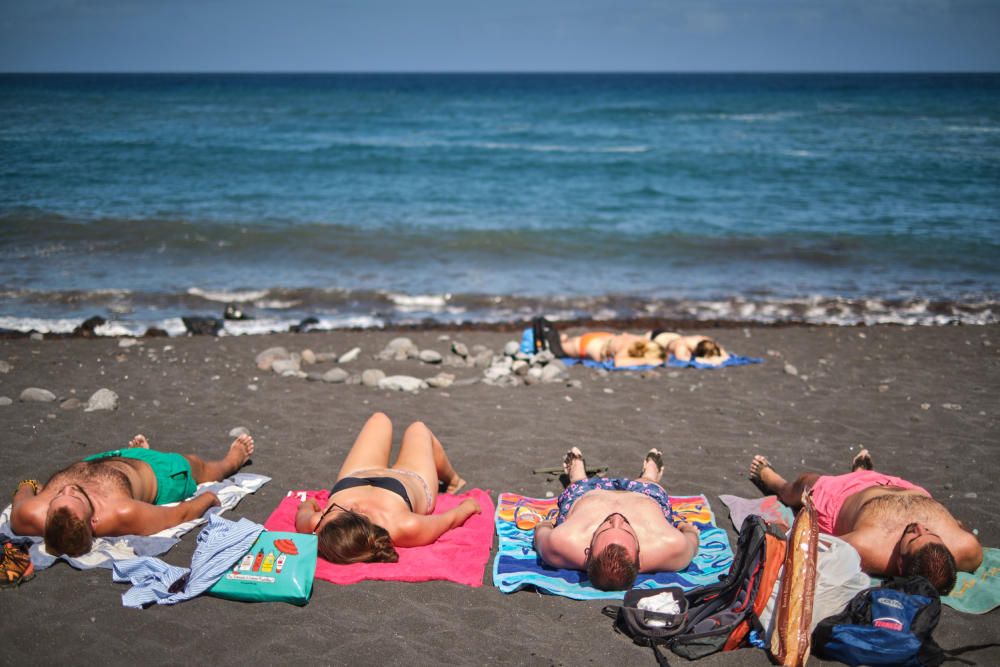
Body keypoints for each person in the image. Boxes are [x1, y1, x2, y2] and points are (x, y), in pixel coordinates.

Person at [749, 449, 982, 594]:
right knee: (870, 479)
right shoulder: (967, 549)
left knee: (803, 485)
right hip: (902, 486)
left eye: (913, 538)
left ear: (900, 564)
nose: (919, 527)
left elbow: (809, 544)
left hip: (843, 498)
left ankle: (776, 483)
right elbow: (959, 530)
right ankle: (862, 472)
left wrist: (783, 531)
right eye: (930, 532)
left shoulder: (868, 548)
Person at [10, 433, 254, 557]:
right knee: (198, 466)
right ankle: (231, 461)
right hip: (156, 473)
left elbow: (23, 490)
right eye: (74, 497)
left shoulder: (28, 514)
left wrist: (31, 484)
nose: (68, 488)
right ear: (93, 522)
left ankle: (133, 452)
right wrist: (207, 498)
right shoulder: (121, 512)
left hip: (102, 460)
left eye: (58, 495)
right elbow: (179, 514)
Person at [295, 412, 480, 564]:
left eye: (325, 514)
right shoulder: (404, 525)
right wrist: (469, 506)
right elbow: (448, 520)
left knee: (379, 419)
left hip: (358, 474)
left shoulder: (321, 525)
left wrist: (310, 504)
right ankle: (454, 480)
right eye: (331, 510)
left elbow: (304, 510)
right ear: (355, 512)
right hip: (410, 478)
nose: (325, 509)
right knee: (418, 429)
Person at [533, 447, 700, 590]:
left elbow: (541, 532)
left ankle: (577, 472)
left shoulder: (561, 542)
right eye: (626, 529)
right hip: (643, 494)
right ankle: (650, 474)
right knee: (649, 483)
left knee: (577, 485)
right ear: (639, 553)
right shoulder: (670, 545)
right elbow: (692, 540)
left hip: (586, 494)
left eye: (606, 528)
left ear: (588, 551)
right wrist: (687, 529)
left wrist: (546, 525)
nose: (617, 518)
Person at [647, 329, 730, 366]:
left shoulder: (704, 339)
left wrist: (720, 358)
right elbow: (681, 359)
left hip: (673, 335)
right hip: (656, 337)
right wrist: (708, 361)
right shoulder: (680, 346)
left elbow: (725, 355)